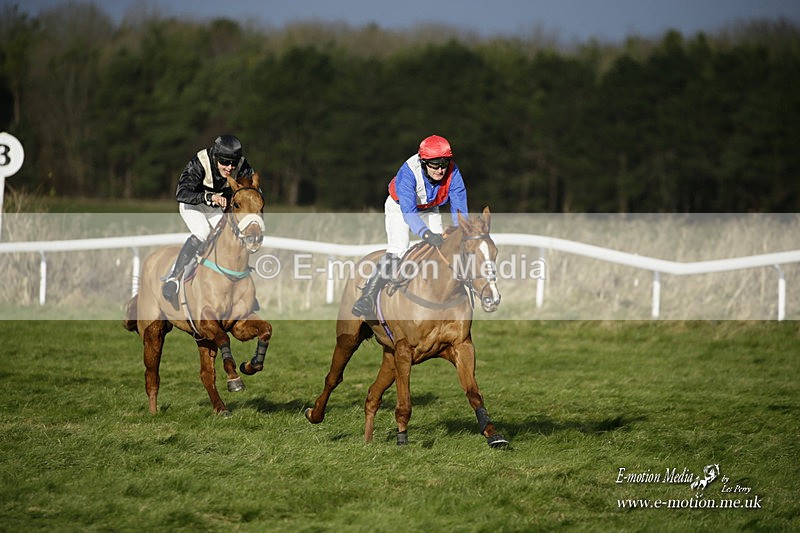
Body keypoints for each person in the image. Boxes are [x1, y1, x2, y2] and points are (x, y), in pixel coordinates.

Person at [352, 134, 468, 317]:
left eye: (444, 163)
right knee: (398, 249)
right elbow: (409, 212)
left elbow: (459, 207)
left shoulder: (453, 172)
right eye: (434, 164)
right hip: (400, 207)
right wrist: (426, 234)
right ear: (423, 162)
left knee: (442, 248)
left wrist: (462, 231)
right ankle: (367, 297)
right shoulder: (408, 172)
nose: (440, 169)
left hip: (429, 207)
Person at [161, 134, 256, 309]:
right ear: (216, 157)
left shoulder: (242, 165)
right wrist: (209, 197)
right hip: (192, 204)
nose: (230, 168)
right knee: (202, 232)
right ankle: (173, 278)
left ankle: (240, 285)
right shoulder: (200, 162)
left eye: (233, 163)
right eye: (225, 163)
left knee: (233, 234)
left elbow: (252, 189)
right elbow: (181, 193)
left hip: (214, 206)